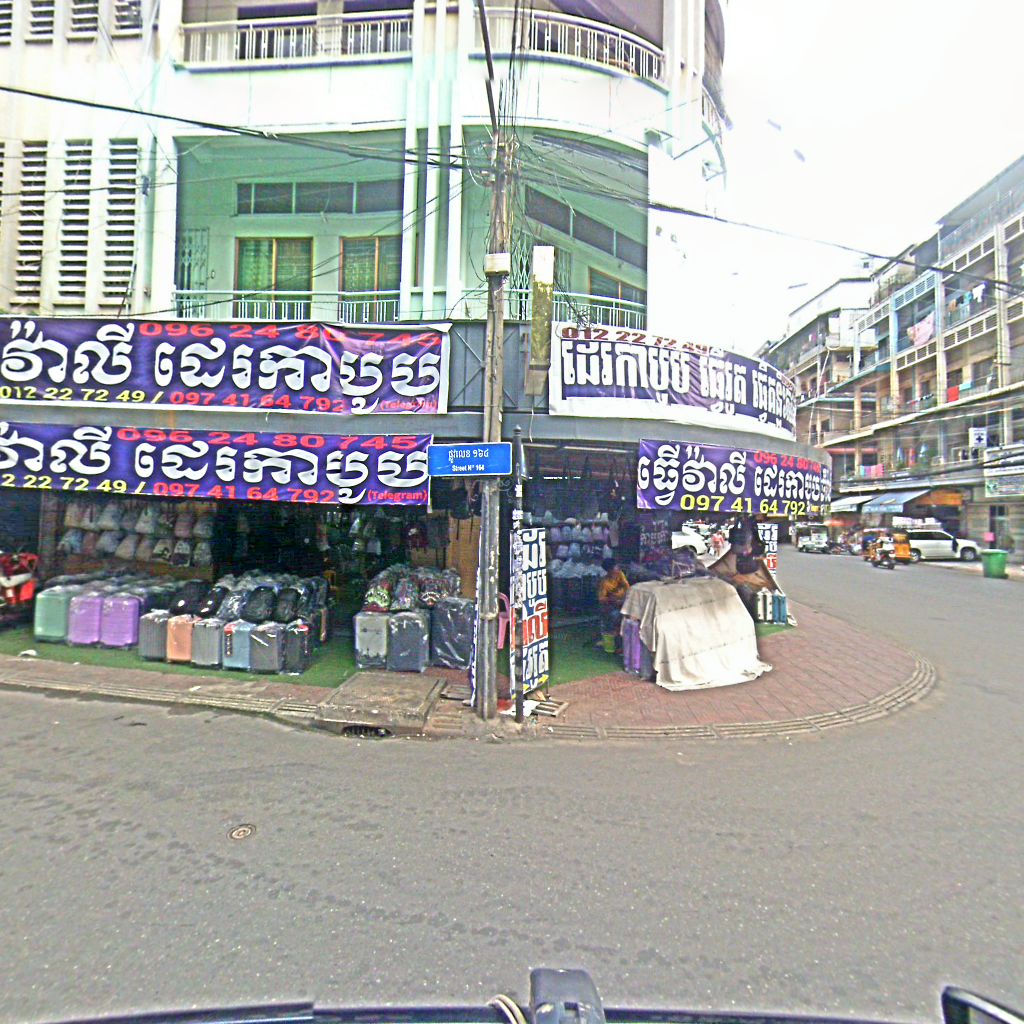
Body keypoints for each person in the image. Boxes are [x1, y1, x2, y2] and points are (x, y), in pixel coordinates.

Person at [597, 557, 630, 651]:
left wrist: (624, 598)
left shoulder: (620, 574)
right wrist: (613, 600)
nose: (618, 568)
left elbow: (627, 587)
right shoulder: (605, 582)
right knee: (616, 616)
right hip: (612, 607)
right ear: (610, 570)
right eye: (616, 567)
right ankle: (615, 642)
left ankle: (626, 642)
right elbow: (601, 599)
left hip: (624, 603)